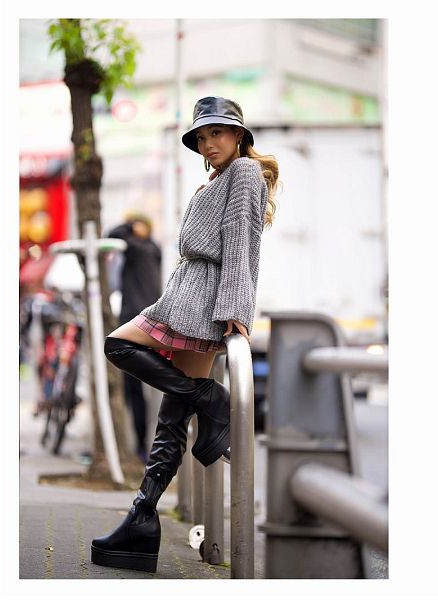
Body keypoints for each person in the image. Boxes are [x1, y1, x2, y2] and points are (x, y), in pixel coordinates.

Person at [90, 96, 279, 573]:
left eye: (218, 132)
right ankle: (142, 519)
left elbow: (242, 245)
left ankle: (208, 398)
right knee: (172, 418)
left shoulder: (244, 174)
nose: (209, 143)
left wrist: (235, 309)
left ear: (239, 135)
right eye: (202, 136)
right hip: (186, 295)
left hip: (200, 304)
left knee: (118, 344)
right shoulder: (216, 179)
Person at [107, 214, 162, 463]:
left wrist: (129, 226)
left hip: (133, 325)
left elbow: (112, 234)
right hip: (152, 325)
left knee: (134, 390)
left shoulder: (135, 248)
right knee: (147, 389)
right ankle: (145, 445)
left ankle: (140, 446)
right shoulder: (153, 249)